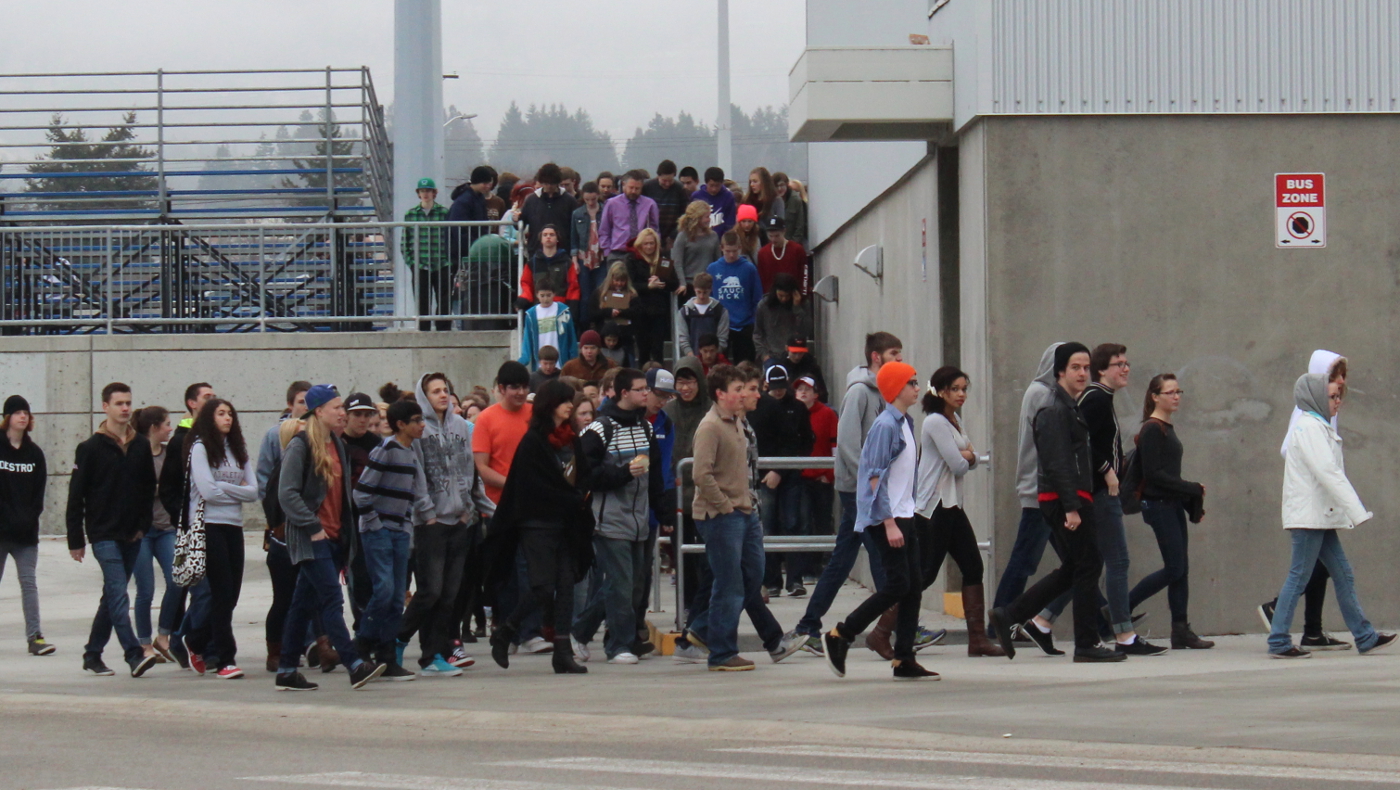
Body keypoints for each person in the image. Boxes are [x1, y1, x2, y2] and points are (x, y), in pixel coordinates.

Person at [989, 343, 1125, 663]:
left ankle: (1010, 614)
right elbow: (1055, 462)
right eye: (1075, 368)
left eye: (1085, 368)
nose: (1082, 374)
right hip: (1062, 498)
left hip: (1070, 496)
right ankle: (1087, 644)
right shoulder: (1053, 408)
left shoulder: (1070, 406)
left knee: (1076, 567)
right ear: (1060, 372)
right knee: (1089, 564)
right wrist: (1071, 506)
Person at [1035, 344, 1163, 656]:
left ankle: (1042, 620)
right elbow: (1084, 445)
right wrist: (1108, 472)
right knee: (1113, 562)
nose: (1126, 369)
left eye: (1127, 363)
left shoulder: (1100, 398)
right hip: (1097, 493)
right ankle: (1124, 635)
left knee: (1088, 564)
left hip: (1098, 493)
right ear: (1102, 371)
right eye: (1118, 364)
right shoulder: (1094, 399)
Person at [820, 361, 939, 680]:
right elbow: (873, 476)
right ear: (896, 388)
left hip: (904, 515)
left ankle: (904, 658)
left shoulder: (905, 422)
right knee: (898, 584)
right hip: (887, 519)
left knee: (912, 587)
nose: (917, 387)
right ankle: (841, 634)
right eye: (912, 382)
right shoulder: (885, 426)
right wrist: (887, 522)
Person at [1267, 372, 1395, 658]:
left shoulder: (1317, 427)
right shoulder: (1310, 428)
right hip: (1310, 518)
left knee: (1342, 574)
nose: (1338, 402)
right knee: (1299, 576)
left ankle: (1365, 636)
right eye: (1332, 397)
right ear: (1315, 398)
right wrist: (1357, 510)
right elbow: (1328, 473)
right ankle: (1278, 641)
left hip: (1318, 517)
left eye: (1339, 397)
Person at [687, 364, 804, 671]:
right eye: (736, 390)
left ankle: (702, 629)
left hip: (745, 512)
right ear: (720, 394)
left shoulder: (736, 422)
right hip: (722, 515)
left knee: (752, 576)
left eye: (744, 389)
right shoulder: (711, 426)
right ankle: (722, 652)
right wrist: (725, 506)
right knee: (730, 584)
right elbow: (701, 474)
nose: (742, 395)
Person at [274, 385, 386, 691]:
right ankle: (353, 663)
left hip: (336, 536)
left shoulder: (336, 442)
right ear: (319, 411)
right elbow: (286, 493)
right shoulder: (302, 445)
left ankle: (286, 670)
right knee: (331, 600)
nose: (341, 412)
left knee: (301, 604)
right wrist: (312, 526)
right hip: (312, 538)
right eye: (336, 407)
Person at [488, 381, 593, 675]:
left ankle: (562, 652)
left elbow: (583, 474)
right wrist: (571, 496)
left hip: (566, 523)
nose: (569, 405)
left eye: (569, 400)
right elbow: (532, 486)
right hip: (537, 523)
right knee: (543, 586)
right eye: (563, 400)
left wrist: (582, 496)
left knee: (566, 585)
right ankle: (506, 629)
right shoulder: (533, 441)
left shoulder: (571, 439)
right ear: (549, 404)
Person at [571, 368, 673, 664]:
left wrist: (662, 510)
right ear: (623, 392)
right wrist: (622, 473)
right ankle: (619, 644)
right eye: (640, 389)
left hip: (640, 520)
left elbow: (655, 476)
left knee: (628, 584)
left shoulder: (646, 428)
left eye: (646, 388)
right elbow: (586, 474)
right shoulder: (600, 429)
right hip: (609, 521)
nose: (646, 393)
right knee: (621, 582)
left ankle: (579, 632)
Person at [398, 373, 490, 676]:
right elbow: (418, 473)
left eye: (445, 390)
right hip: (431, 523)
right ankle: (397, 641)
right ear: (423, 395)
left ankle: (433, 655)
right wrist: (428, 514)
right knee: (430, 591)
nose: (441, 395)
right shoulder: (419, 428)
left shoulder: (461, 427)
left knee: (450, 595)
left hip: (459, 520)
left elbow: (469, 468)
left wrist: (469, 509)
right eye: (435, 391)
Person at [1259, 350, 1352, 649]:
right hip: (1313, 508)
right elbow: (1295, 452)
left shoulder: (1325, 413)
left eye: (1342, 375)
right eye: (1334, 374)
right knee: (1306, 571)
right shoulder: (1307, 415)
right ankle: (1280, 627)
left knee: (1326, 570)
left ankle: (1315, 630)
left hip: (1323, 507)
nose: (1340, 382)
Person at [68, 382, 159, 678]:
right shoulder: (90, 448)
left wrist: (143, 525)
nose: (125, 408)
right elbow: (76, 496)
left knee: (111, 596)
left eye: (128, 403)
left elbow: (148, 488)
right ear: (105, 407)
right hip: (103, 533)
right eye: (118, 403)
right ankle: (133, 653)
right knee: (119, 593)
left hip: (132, 533)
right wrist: (76, 539)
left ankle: (92, 653)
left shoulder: (141, 446)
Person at [912, 367, 1004, 658]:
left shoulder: (954, 420)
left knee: (973, 567)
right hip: (934, 507)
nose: (962, 394)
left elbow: (970, 458)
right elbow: (959, 464)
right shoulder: (935, 422)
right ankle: (883, 632)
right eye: (955, 389)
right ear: (940, 391)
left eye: (964, 388)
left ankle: (977, 640)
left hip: (953, 505)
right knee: (925, 574)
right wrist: (968, 455)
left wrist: (968, 455)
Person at [1128, 373, 1214, 650]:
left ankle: (1181, 630)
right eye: (1170, 392)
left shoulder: (1167, 427)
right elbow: (1154, 475)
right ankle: (1121, 608)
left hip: (1171, 505)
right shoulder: (1153, 429)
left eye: (1178, 391)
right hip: (1158, 506)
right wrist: (1191, 487)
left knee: (1181, 569)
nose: (1176, 396)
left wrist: (1188, 493)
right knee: (1174, 567)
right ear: (1155, 397)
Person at [989, 344, 1064, 642]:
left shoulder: (1043, 392)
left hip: (1046, 491)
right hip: (1040, 491)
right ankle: (1000, 620)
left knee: (1079, 561)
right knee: (1024, 560)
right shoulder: (1043, 394)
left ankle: (1103, 617)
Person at [183, 398, 259, 679]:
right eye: (221, 413)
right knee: (222, 591)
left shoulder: (238, 450)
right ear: (208, 418)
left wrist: (223, 486)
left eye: (230, 414)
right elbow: (207, 492)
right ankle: (226, 659)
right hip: (207, 525)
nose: (227, 418)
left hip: (233, 525)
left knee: (231, 595)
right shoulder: (200, 448)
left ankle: (195, 639)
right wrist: (232, 487)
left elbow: (253, 491)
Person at [353, 398, 428, 682]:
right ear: (401, 424)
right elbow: (361, 493)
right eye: (417, 421)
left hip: (399, 531)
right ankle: (362, 643)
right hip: (379, 530)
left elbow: (410, 497)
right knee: (384, 590)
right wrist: (375, 524)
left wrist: (405, 528)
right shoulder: (385, 450)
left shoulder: (411, 454)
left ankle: (386, 656)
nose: (422, 426)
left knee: (398, 597)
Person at [750, 365, 814, 598]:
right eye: (773, 388)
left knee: (793, 524)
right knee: (767, 526)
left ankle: (795, 578)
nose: (778, 392)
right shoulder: (758, 407)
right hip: (764, 476)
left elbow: (801, 440)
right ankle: (772, 580)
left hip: (789, 474)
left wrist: (785, 468)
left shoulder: (796, 408)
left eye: (781, 387)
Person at [0, 395, 52, 656]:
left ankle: (35, 637)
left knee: (29, 583)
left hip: (25, 534)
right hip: (0, 532)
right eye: (17, 412)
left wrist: (29, 518)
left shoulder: (34, 454)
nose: (23, 416)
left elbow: (38, 494)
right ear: (7, 417)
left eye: (26, 413)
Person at [132, 406, 176, 663]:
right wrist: (157, 488)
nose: (170, 428)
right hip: (142, 529)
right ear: (153, 428)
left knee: (176, 580)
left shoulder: (169, 454)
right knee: (145, 588)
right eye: (167, 424)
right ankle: (144, 643)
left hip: (165, 526)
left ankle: (164, 635)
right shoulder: (136, 452)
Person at [794, 375, 836, 594]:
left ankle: (819, 567)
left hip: (821, 477)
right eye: (799, 389)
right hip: (801, 478)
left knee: (822, 521)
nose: (802, 393)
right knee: (802, 522)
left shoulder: (827, 414)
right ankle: (804, 568)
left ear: (816, 394)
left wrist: (829, 474)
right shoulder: (793, 413)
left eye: (806, 389)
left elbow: (834, 445)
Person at [622, 227, 679, 365]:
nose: (649, 247)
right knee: (643, 350)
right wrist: (647, 287)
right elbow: (629, 284)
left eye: (651, 243)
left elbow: (674, 283)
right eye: (646, 243)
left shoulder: (663, 258)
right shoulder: (632, 259)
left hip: (658, 310)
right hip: (640, 310)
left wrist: (661, 282)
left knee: (658, 349)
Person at [403, 177, 453, 331]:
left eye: (428, 191)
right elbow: (405, 241)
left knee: (444, 299)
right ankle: (423, 329)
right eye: (422, 191)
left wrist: (449, 260)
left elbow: (450, 238)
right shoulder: (411, 214)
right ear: (418, 193)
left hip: (442, 263)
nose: (425, 194)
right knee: (422, 301)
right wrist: (411, 262)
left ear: (434, 193)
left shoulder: (444, 213)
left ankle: (443, 328)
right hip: (420, 264)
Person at [706, 231, 764, 364]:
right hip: (722, 325)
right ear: (721, 248)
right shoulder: (713, 269)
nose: (731, 255)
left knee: (744, 364)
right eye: (727, 251)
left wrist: (753, 319)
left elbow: (757, 297)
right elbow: (710, 297)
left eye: (734, 251)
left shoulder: (749, 269)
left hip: (745, 324)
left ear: (739, 248)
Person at [257, 381, 311, 500]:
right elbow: (264, 475)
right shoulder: (274, 434)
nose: (307, 406)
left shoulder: (321, 433)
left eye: (310, 401)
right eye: (301, 402)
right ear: (290, 405)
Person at [519, 163, 579, 258]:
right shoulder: (531, 200)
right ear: (541, 182)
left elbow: (576, 227)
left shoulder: (569, 200)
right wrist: (516, 218)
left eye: (552, 183)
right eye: (546, 183)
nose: (549, 186)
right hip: (537, 252)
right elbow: (521, 223)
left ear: (558, 182)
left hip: (563, 253)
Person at [518, 225, 581, 314]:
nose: (548, 237)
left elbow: (573, 286)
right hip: (538, 308)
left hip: (560, 308)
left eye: (552, 235)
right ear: (541, 239)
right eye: (545, 235)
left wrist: (572, 306)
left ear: (557, 239)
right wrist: (525, 298)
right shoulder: (532, 263)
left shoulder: (567, 262)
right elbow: (526, 283)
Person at [753, 274, 812, 365]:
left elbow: (805, 330)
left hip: (795, 355)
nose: (784, 299)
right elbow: (757, 333)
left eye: (787, 296)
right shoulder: (764, 305)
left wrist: (797, 308)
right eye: (780, 295)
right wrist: (764, 355)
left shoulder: (803, 304)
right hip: (772, 355)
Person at [598, 171, 659, 259]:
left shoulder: (650, 204)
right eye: (631, 188)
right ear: (623, 185)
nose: (633, 191)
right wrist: (607, 252)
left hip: (642, 254)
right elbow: (604, 230)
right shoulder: (612, 204)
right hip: (618, 253)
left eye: (637, 188)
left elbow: (655, 230)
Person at [571, 181, 606, 327]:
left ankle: (599, 326)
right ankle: (584, 328)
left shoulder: (605, 210)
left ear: (598, 196)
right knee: (584, 296)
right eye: (587, 200)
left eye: (593, 199)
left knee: (600, 293)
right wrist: (574, 261)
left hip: (601, 257)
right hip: (583, 257)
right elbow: (574, 239)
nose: (591, 203)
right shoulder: (577, 213)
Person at [446, 166, 495, 271]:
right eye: (484, 183)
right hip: (463, 254)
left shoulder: (479, 198)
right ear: (476, 182)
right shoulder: (463, 201)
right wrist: (475, 246)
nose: (488, 187)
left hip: (475, 250)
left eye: (489, 183)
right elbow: (459, 229)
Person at [518, 286, 578, 372]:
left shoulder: (563, 311)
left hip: (561, 365)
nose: (545, 299)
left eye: (548, 295)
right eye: (542, 296)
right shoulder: (531, 315)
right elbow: (527, 342)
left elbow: (571, 338)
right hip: (541, 366)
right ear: (537, 295)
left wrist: (574, 361)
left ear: (554, 294)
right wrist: (521, 362)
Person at [676, 271, 730, 357]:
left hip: (714, 357)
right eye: (699, 292)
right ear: (694, 289)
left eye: (705, 292)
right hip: (693, 357)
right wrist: (691, 356)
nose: (701, 296)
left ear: (711, 289)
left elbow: (722, 338)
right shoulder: (685, 311)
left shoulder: (720, 310)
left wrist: (711, 355)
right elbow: (683, 338)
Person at [643, 159, 692, 246]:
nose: (667, 184)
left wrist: (673, 235)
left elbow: (684, 215)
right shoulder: (647, 187)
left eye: (670, 180)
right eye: (664, 180)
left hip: (672, 235)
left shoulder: (680, 189)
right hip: (650, 234)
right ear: (658, 176)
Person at [672, 200, 719, 289]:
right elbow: (677, 262)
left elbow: (717, 260)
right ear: (697, 218)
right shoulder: (683, 236)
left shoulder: (713, 236)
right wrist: (682, 283)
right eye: (707, 217)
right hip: (689, 283)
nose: (709, 220)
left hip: (709, 283)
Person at [756, 216, 807, 295]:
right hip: (771, 299)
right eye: (770, 236)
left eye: (777, 236)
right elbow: (761, 278)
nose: (773, 239)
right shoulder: (762, 253)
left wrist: (803, 295)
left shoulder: (797, 250)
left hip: (793, 296)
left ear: (784, 231)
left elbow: (804, 274)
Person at [779, 337, 827, 404]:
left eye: (801, 353)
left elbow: (822, 390)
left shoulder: (811, 365)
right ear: (787, 349)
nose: (797, 357)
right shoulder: (780, 366)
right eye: (794, 353)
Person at [692, 166, 737, 237]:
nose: (714, 189)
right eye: (711, 185)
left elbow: (730, 223)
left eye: (717, 186)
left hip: (720, 239)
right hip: (700, 239)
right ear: (706, 183)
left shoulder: (728, 196)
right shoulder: (696, 196)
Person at [774, 172, 807, 246]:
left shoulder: (795, 200)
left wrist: (791, 245)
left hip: (791, 244)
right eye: (776, 186)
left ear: (787, 184)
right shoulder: (771, 201)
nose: (779, 189)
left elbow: (800, 227)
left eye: (782, 185)